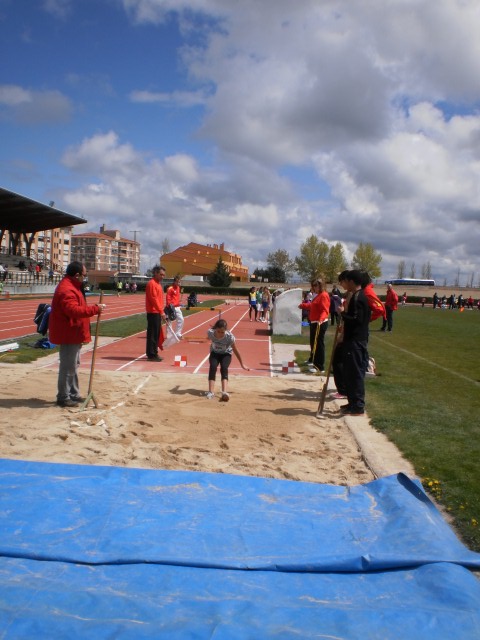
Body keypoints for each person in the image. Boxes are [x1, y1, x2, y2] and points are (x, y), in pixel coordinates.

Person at [49, 261, 106, 407]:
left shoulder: (74, 286)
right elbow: (73, 311)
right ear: (77, 275)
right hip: (69, 332)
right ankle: (63, 396)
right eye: (84, 275)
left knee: (74, 364)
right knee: (68, 366)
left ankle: (73, 394)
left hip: (74, 331)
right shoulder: (66, 289)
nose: (85, 278)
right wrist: (95, 309)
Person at [339, 269, 371, 416]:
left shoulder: (359, 297)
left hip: (356, 341)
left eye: (347, 281)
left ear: (352, 282)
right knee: (349, 373)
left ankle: (358, 405)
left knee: (355, 373)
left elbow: (356, 319)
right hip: (353, 339)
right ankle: (352, 402)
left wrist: (342, 313)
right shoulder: (357, 296)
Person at [206, 318, 249, 401]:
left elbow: (236, 351)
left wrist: (242, 364)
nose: (220, 334)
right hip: (215, 353)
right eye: (218, 331)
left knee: (224, 368)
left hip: (226, 354)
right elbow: (208, 338)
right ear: (215, 329)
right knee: (213, 366)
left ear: (225, 331)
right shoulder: (210, 333)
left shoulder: (229, 337)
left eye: (222, 332)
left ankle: (224, 392)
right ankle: (211, 392)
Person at [298, 278, 330, 374]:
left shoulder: (324, 295)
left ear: (321, 286)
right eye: (313, 286)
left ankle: (320, 366)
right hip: (314, 322)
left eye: (316, 285)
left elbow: (325, 310)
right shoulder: (318, 296)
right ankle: (314, 362)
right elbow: (313, 306)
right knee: (313, 343)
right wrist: (303, 305)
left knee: (318, 344)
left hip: (320, 323)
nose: (314, 287)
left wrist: (321, 319)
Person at [145, 265, 167, 361]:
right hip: (153, 312)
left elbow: (159, 300)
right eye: (161, 274)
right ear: (156, 273)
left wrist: (162, 311)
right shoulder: (152, 284)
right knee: (153, 334)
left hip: (157, 312)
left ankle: (153, 352)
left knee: (156, 334)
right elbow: (154, 299)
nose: (163, 277)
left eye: (164, 275)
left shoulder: (158, 284)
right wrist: (161, 312)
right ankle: (152, 354)